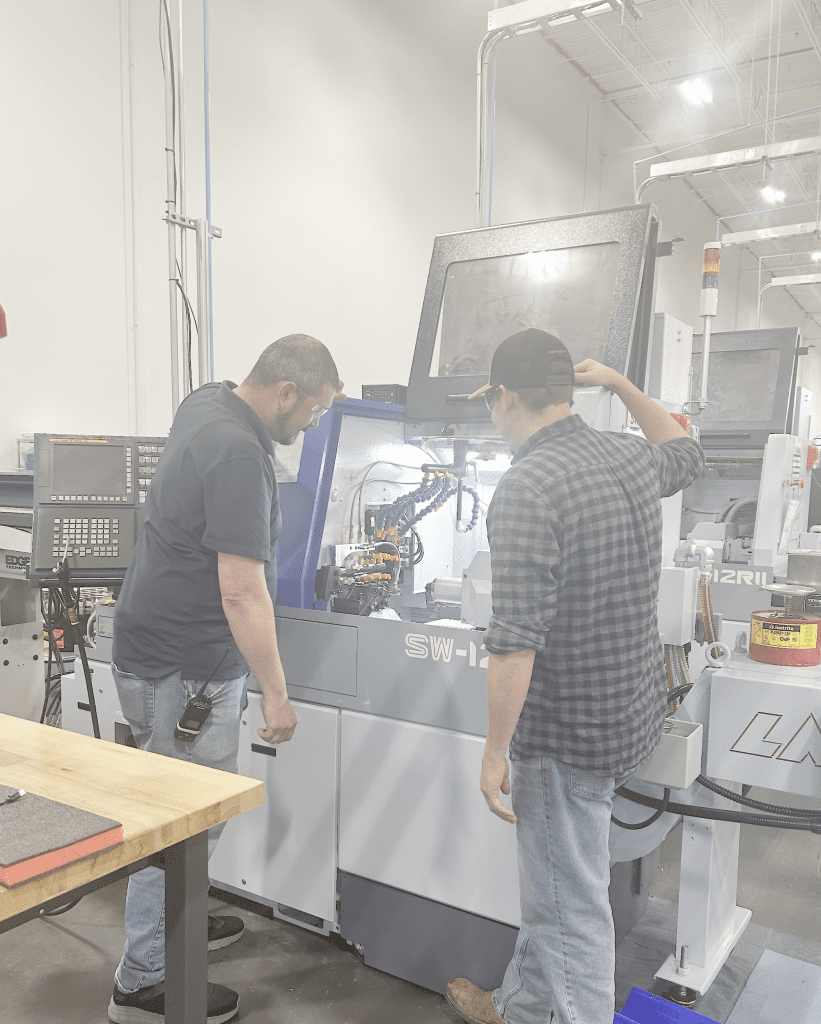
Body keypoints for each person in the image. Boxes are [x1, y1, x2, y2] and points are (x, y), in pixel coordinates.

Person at [445, 328, 704, 1024]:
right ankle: (522, 1008)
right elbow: (685, 447)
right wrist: (619, 384)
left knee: (570, 913)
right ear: (568, 393)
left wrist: (494, 751)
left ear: (503, 398)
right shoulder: (624, 454)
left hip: (564, 736)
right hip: (626, 714)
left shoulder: (527, 485)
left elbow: (514, 643)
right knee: (553, 884)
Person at [109, 334, 342, 1024]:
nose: (310, 427)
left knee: (180, 817)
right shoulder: (242, 452)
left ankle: (177, 924)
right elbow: (241, 589)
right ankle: (145, 982)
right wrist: (276, 691)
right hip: (187, 670)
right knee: (179, 823)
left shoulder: (208, 401)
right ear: (286, 393)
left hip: (150, 648)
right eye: (313, 413)